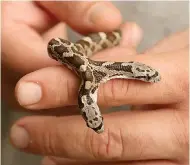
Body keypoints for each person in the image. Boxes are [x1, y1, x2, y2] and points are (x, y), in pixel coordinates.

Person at [2, 1, 188, 165]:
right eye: (146, 76)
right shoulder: (91, 77)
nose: (98, 125)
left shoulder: (92, 77)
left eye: (94, 120)